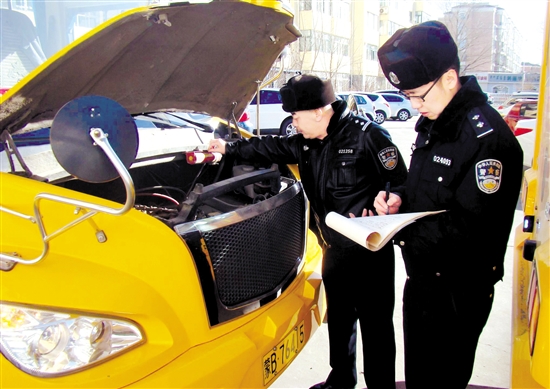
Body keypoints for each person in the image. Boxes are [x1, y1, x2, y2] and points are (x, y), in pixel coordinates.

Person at [208, 74, 408, 389]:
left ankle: (381, 386)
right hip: (334, 248)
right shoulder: (306, 141)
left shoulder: (369, 136)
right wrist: (227, 148)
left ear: (318, 111)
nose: (294, 123)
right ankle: (341, 379)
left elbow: (399, 181)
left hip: (370, 253)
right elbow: (268, 147)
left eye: (297, 116)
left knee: (376, 327)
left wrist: (391, 199)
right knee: (340, 321)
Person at [373, 21, 524, 389]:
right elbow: (423, 189)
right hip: (423, 282)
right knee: (419, 378)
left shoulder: (487, 141)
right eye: (407, 97)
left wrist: (400, 228)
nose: (414, 106)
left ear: (450, 79)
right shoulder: (434, 123)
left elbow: (470, 231)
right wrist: (398, 199)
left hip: (458, 293)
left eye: (418, 95)